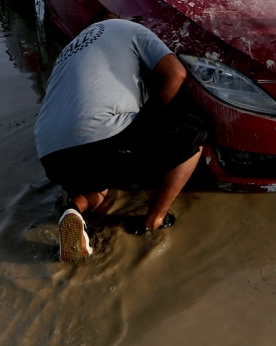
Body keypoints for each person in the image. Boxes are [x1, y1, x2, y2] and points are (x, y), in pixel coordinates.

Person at [35, 17, 207, 261]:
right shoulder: (129, 28)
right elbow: (176, 73)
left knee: (100, 181)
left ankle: (74, 211)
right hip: (102, 138)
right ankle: (154, 221)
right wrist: (152, 117)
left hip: (51, 155)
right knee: (194, 134)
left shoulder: (71, 48)